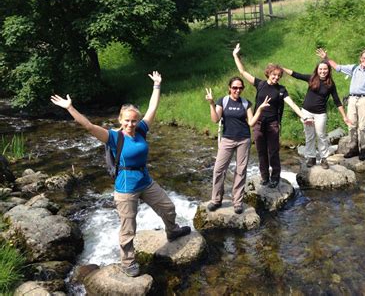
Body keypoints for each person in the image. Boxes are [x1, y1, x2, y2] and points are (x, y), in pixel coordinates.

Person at [50, 71, 191, 278]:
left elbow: (152, 108)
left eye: (134, 120)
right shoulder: (113, 137)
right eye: (127, 120)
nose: (131, 124)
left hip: (146, 181)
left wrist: (157, 86)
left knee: (168, 207)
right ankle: (128, 262)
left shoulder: (142, 129)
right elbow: (88, 126)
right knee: (128, 228)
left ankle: (172, 231)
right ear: (120, 119)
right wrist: (70, 107)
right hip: (126, 188)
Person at [232, 43, 309, 188]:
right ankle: (264, 177)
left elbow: (292, 104)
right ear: (268, 74)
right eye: (274, 75)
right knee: (261, 152)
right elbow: (243, 72)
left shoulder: (281, 90)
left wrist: (303, 116)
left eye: (279, 76)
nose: (276, 77)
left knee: (273, 151)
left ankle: (275, 177)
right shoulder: (260, 84)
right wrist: (235, 55)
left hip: (273, 124)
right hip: (258, 123)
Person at [205, 77, 270, 214]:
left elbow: (251, 122)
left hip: (243, 140)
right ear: (229, 88)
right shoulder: (223, 101)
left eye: (240, 88)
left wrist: (260, 109)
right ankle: (216, 200)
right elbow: (215, 119)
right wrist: (211, 103)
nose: (237, 90)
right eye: (234, 87)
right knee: (218, 169)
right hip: (227, 139)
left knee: (240, 171)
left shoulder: (246, 103)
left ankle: (237, 202)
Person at [283, 60, 352, 169]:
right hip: (306, 112)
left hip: (320, 114)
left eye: (325, 69)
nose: (323, 71)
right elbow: (296, 75)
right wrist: (282, 69)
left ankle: (324, 158)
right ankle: (311, 157)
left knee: (321, 135)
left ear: (328, 70)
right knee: (309, 136)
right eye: (321, 69)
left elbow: (337, 100)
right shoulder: (312, 78)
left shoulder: (330, 84)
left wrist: (344, 116)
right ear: (317, 70)